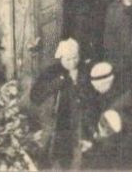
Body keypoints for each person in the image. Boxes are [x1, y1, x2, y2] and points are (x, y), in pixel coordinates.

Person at [30, 39, 87, 171]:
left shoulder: (83, 70)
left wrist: (77, 82)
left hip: (77, 122)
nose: (72, 63)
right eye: (68, 59)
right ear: (61, 57)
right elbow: (35, 96)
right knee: (50, 156)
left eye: (75, 58)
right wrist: (60, 81)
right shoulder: (51, 72)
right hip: (55, 121)